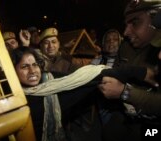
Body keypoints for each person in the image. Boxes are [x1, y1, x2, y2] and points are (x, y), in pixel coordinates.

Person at [10, 46, 153, 141]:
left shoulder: (52, 82)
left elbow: (90, 75)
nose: (32, 71)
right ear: (12, 71)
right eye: (24, 66)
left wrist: (140, 72)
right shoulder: (8, 97)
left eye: (35, 64)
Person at [98, 0, 161, 141]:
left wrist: (124, 92)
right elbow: (117, 71)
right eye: (126, 24)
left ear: (156, 20)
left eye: (135, 22)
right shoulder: (125, 47)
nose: (126, 32)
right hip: (126, 115)